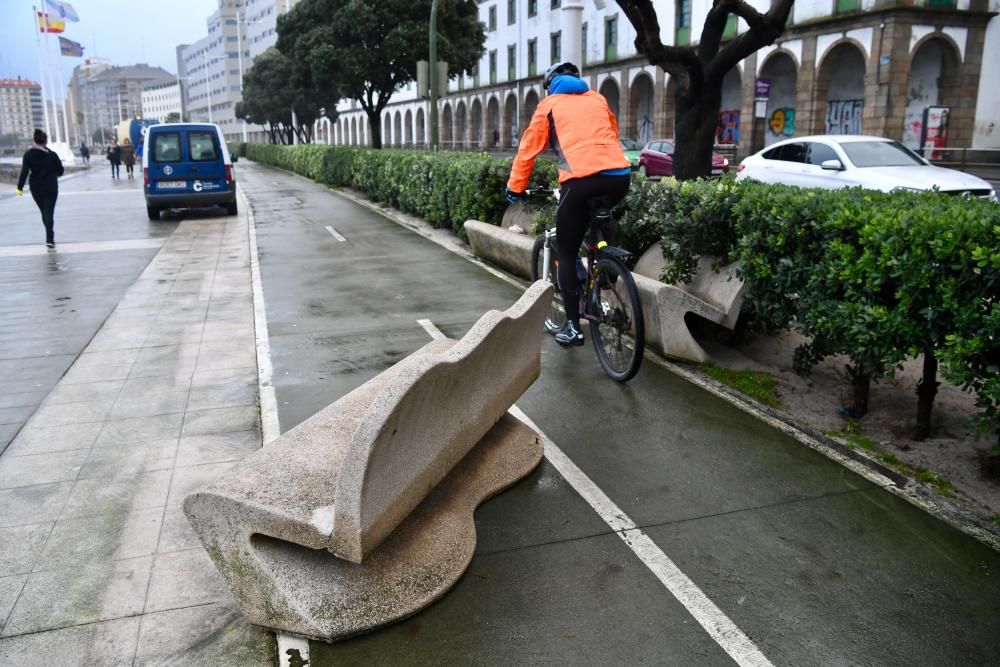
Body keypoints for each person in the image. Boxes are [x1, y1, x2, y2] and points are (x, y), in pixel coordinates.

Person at [505, 62, 632, 347]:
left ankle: (573, 326)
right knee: (599, 214)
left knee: (566, 246)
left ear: (550, 85)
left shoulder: (549, 105)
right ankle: (606, 264)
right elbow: (611, 134)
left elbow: (528, 150)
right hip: (619, 177)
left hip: (579, 182)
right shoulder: (598, 98)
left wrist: (515, 188)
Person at [15, 128, 64, 249]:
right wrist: (55, 173)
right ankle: (49, 239)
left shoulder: (28, 154)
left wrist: (19, 188)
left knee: (44, 212)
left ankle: (49, 237)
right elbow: (61, 171)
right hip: (51, 188)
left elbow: (24, 172)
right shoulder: (52, 155)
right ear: (46, 141)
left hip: (36, 188)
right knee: (49, 212)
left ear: (35, 140)